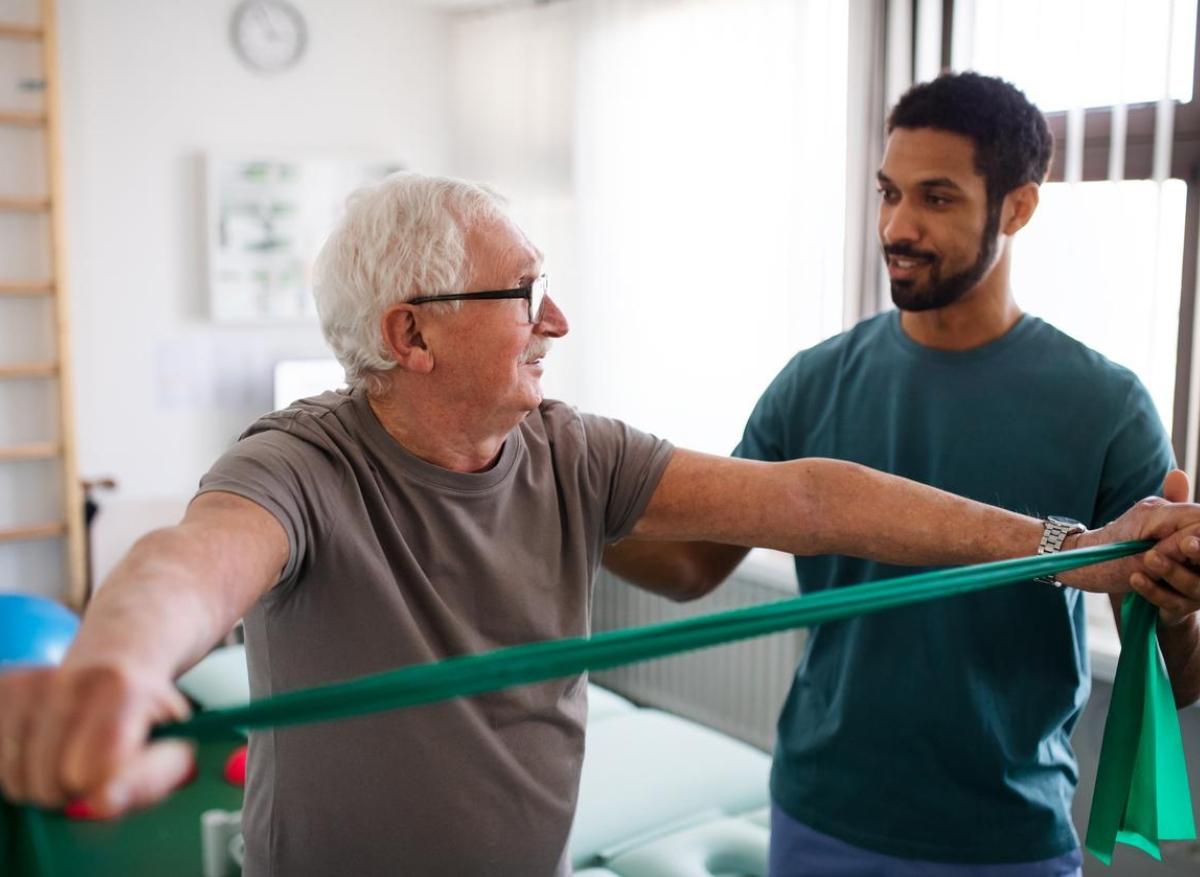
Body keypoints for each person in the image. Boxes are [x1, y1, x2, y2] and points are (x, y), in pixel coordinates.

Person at [3, 172, 1200, 877]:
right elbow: (191, 566)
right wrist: (114, 661)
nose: (557, 317)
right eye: (523, 292)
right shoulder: (301, 462)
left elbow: (809, 496)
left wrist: (1069, 552)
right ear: (410, 333)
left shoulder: (569, 448)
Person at [604, 72, 1200, 876]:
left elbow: (1181, 676)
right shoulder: (812, 382)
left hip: (1006, 838)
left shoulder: (1107, 404)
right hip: (821, 815)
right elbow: (686, 566)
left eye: (937, 199)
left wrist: (1179, 597)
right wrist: (565, 507)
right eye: (889, 193)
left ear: (1018, 207)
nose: (898, 225)